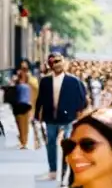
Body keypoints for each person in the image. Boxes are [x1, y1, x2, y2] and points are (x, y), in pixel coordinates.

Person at [35, 53, 90, 181]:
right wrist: (37, 115)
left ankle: (66, 170)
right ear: (50, 65)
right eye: (54, 62)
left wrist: (78, 111)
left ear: (64, 62)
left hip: (68, 118)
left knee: (67, 144)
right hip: (50, 118)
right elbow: (40, 99)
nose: (57, 64)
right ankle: (53, 171)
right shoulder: (45, 81)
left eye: (59, 61)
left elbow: (83, 98)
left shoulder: (74, 81)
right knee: (51, 144)